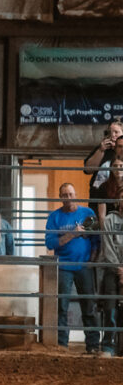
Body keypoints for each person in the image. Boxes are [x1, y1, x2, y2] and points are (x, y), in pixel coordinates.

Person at [44, 182, 100, 353]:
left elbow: (96, 239)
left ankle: (92, 345)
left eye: (71, 194)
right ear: (60, 197)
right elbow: (50, 243)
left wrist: (92, 261)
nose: (68, 198)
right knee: (62, 305)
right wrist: (71, 235)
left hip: (84, 265)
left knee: (89, 305)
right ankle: (62, 345)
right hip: (64, 266)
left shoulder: (88, 213)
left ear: (76, 195)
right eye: (64, 195)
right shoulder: (55, 217)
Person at [95, 159, 123, 357]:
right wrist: (120, 269)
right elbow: (108, 247)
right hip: (113, 270)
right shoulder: (110, 220)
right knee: (110, 306)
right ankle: (108, 345)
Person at [85, 118, 123, 223]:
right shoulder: (102, 149)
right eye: (110, 132)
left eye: (116, 132)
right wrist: (101, 150)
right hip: (98, 196)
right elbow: (87, 169)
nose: (113, 135)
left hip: (117, 199)